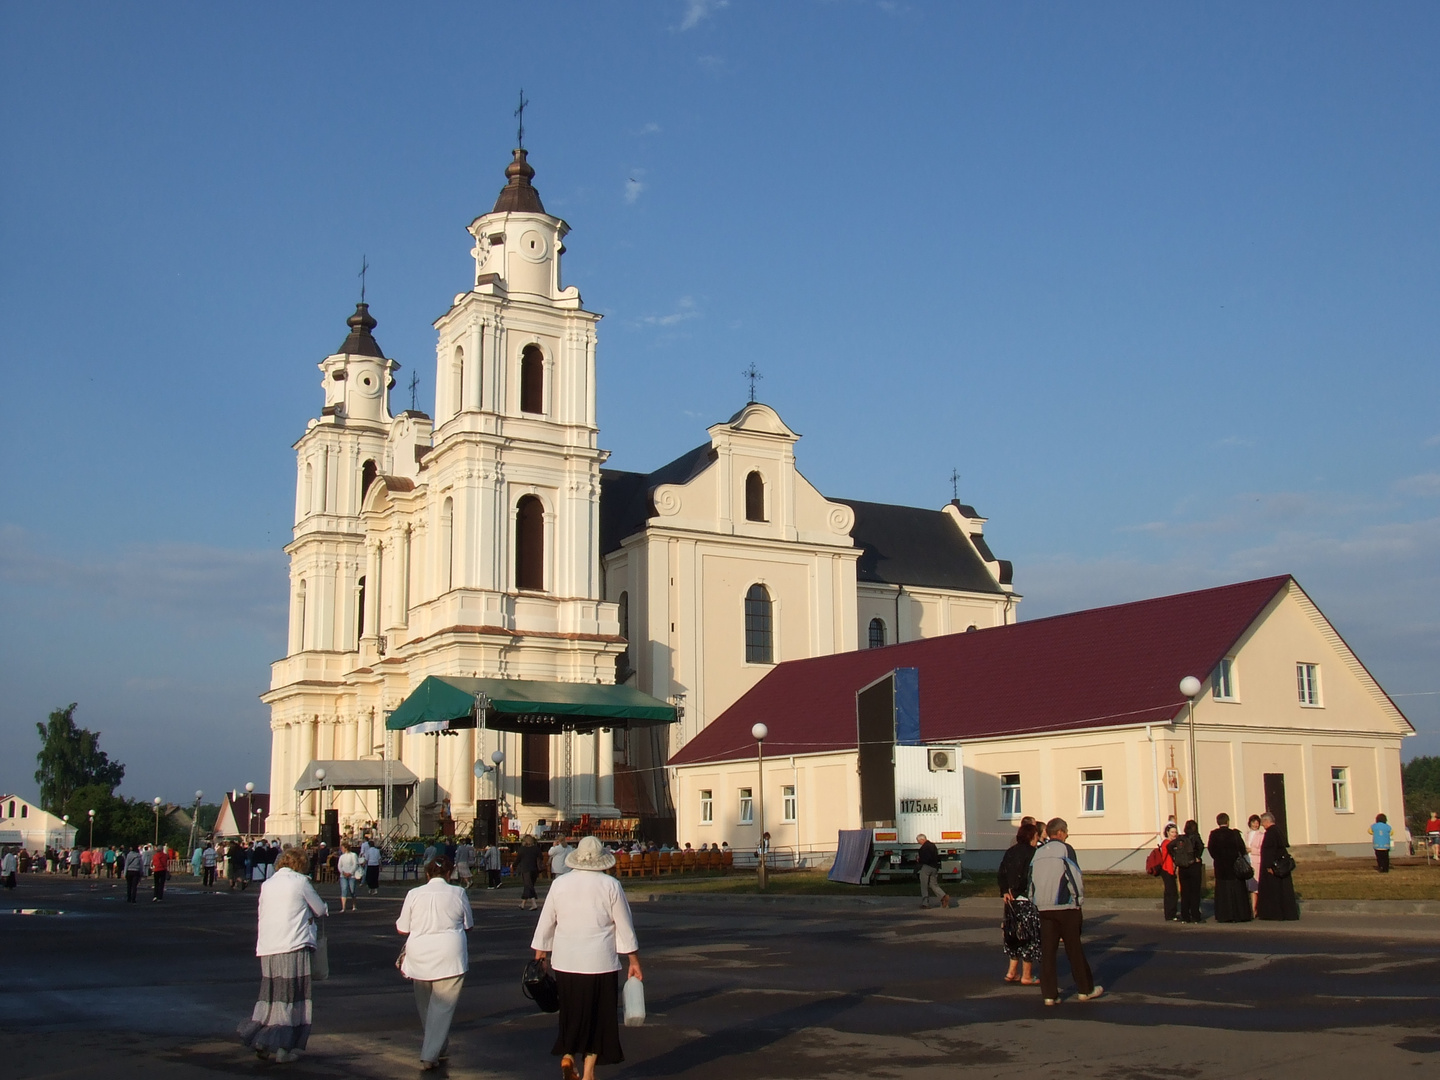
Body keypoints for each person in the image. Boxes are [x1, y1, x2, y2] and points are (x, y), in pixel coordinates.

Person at [532, 836, 642, 1080]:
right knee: (599, 1017)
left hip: (566, 960)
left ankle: (568, 1054)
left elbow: (547, 920)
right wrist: (633, 961)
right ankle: (589, 1072)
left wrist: (541, 953)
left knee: (571, 1012)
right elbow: (624, 926)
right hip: (600, 961)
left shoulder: (560, 884)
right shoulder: (610, 885)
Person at [238, 847, 328, 1063]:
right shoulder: (300, 882)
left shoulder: (267, 885)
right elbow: (319, 909)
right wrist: (324, 907)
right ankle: (284, 1049)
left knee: (270, 995)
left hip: (269, 946)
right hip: (293, 944)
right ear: (300, 864)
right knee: (291, 996)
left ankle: (262, 1039)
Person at [396, 856, 474, 1070]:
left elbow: (403, 928)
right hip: (449, 953)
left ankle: (437, 1045)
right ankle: (430, 1053)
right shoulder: (458, 893)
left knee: (425, 1006)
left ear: (427, 874)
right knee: (442, 1006)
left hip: (419, 953)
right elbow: (468, 924)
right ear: (449, 874)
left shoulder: (413, 894)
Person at [1028, 817, 1101, 1006]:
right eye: (1066, 831)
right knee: (1074, 949)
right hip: (1065, 906)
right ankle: (1085, 989)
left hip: (1044, 907)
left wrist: (1033, 902)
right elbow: (1074, 876)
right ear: (1060, 832)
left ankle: (1049, 995)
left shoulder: (1038, 852)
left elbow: (1031, 880)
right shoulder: (1066, 849)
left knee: (1048, 952)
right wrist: (1078, 900)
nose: (1067, 835)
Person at [997, 822, 1041, 985]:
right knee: (1028, 936)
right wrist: (1017, 890)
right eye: (1036, 836)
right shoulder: (1034, 853)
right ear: (1031, 836)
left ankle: (1011, 971)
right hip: (1026, 899)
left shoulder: (1010, 852)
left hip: (1010, 901)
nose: (1037, 839)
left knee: (1013, 934)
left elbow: (1001, 872)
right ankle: (1027, 975)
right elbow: (1027, 875)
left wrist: (1005, 891)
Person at [1206, 813, 1253, 923]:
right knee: (1238, 891)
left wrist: (1218, 858)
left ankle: (1225, 915)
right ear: (1228, 822)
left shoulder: (1214, 834)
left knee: (1223, 892)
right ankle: (1241, 914)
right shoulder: (1234, 834)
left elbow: (1211, 849)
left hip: (1221, 867)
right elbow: (1242, 849)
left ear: (1218, 822)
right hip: (1235, 867)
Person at [1256, 812, 1300, 921]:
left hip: (1273, 868)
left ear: (1267, 821)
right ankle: (1286, 913)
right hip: (1281, 866)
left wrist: (1269, 867)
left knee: (1273, 891)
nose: (1262, 826)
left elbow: (1270, 852)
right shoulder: (1278, 831)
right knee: (1283, 891)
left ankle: (1273, 913)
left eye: (1263, 823)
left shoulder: (1271, 833)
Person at [1173, 820, 1205, 924]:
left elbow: (1170, 846)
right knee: (1195, 892)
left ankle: (1185, 916)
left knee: (1185, 892)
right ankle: (1195, 916)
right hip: (1194, 866)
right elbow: (1201, 847)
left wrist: (1175, 857)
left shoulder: (1181, 838)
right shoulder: (1196, 837)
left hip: (1182, 867)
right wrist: (1197, 857)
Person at [915, 833, 950, 909]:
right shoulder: (933, 846)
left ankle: (925, 903)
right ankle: (943, 896)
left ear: (922, 839)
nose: (919, 843)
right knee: (934, 884)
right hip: (934, 867)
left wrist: (919, 859)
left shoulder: (923, 848)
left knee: (924, 885)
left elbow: (926, 858)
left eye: (919, 841)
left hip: (926, 867)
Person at [1155, 824, 1179, 922]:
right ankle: (1170, 914)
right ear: (1168, 833)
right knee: (1171, 892)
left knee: (1171, 892)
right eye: (1172, 832)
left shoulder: (1172, 843)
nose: (1174, 834)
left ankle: (1170, 913)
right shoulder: (1167, 843)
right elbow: (1165, 857)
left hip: (1170, 869)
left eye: (1175, 832)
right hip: (1166, 869)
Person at [1244, 815, 1265, 916]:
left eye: (1257, 823)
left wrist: (1252, 850)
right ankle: (1252, 907)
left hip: (1256, 861)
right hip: (1248, 861)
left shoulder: (1261, 835)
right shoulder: (1247, 834)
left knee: (1255, 886)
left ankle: (1254, 909)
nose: (1255, 824)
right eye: (1253, 822)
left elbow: (1263, 850)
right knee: (1249, 886)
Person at [516, 834, 542, 911]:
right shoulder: (536, 849)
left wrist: (513, 865)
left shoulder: (522, 849)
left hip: (526, 869)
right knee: (529, 886)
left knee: (528, 886)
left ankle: (534, 904)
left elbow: (518, 859)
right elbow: (541, 857)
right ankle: (523, 904)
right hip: (534, 870)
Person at [336, 842, 360, 913]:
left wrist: (350, 872)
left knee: (352, 890)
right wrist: (343, 872)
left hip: (351, 875)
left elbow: (355, 864)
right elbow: (339, 866)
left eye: (342, 848)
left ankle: (354, 905)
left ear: (346, 848)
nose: (341, 849)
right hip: (343, 876)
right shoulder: (342, 856)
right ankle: (343, 907)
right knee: (344, 889)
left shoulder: (353, 855)